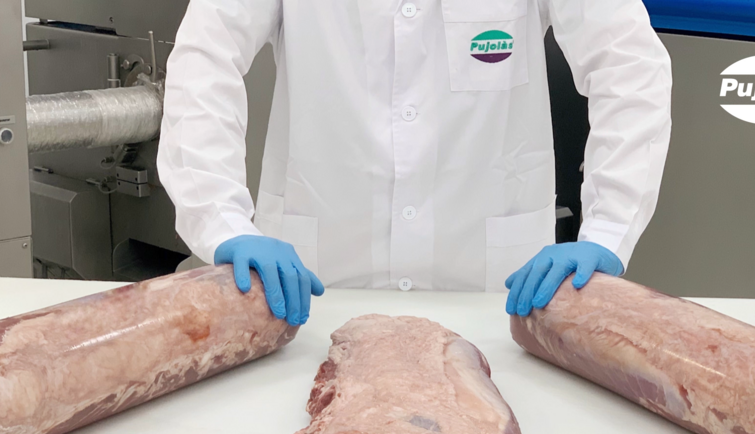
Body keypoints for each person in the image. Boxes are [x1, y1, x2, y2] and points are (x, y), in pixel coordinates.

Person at [157, 0, 672, 326]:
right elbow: (206, 57)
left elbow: (630, 67)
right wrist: (220, 219)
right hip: (315, 288)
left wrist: (607, 232)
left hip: (494, 293)